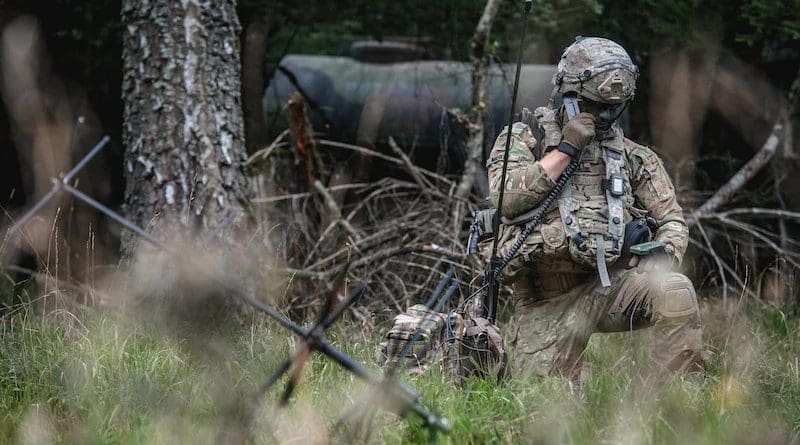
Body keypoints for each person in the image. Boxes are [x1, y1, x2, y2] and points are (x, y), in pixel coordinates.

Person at [486, 36, 703, 382]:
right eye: (594, 106)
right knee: (548, 403)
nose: (603, 116)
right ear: (568, 94)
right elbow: (507, 197)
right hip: (545, 298)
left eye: (612, 109)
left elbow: (673, 220)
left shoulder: (633, 156)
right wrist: (565, 150)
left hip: (610, 287)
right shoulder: (524, 139)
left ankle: (661, 400)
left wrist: (665, 252)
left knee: (675, 290)